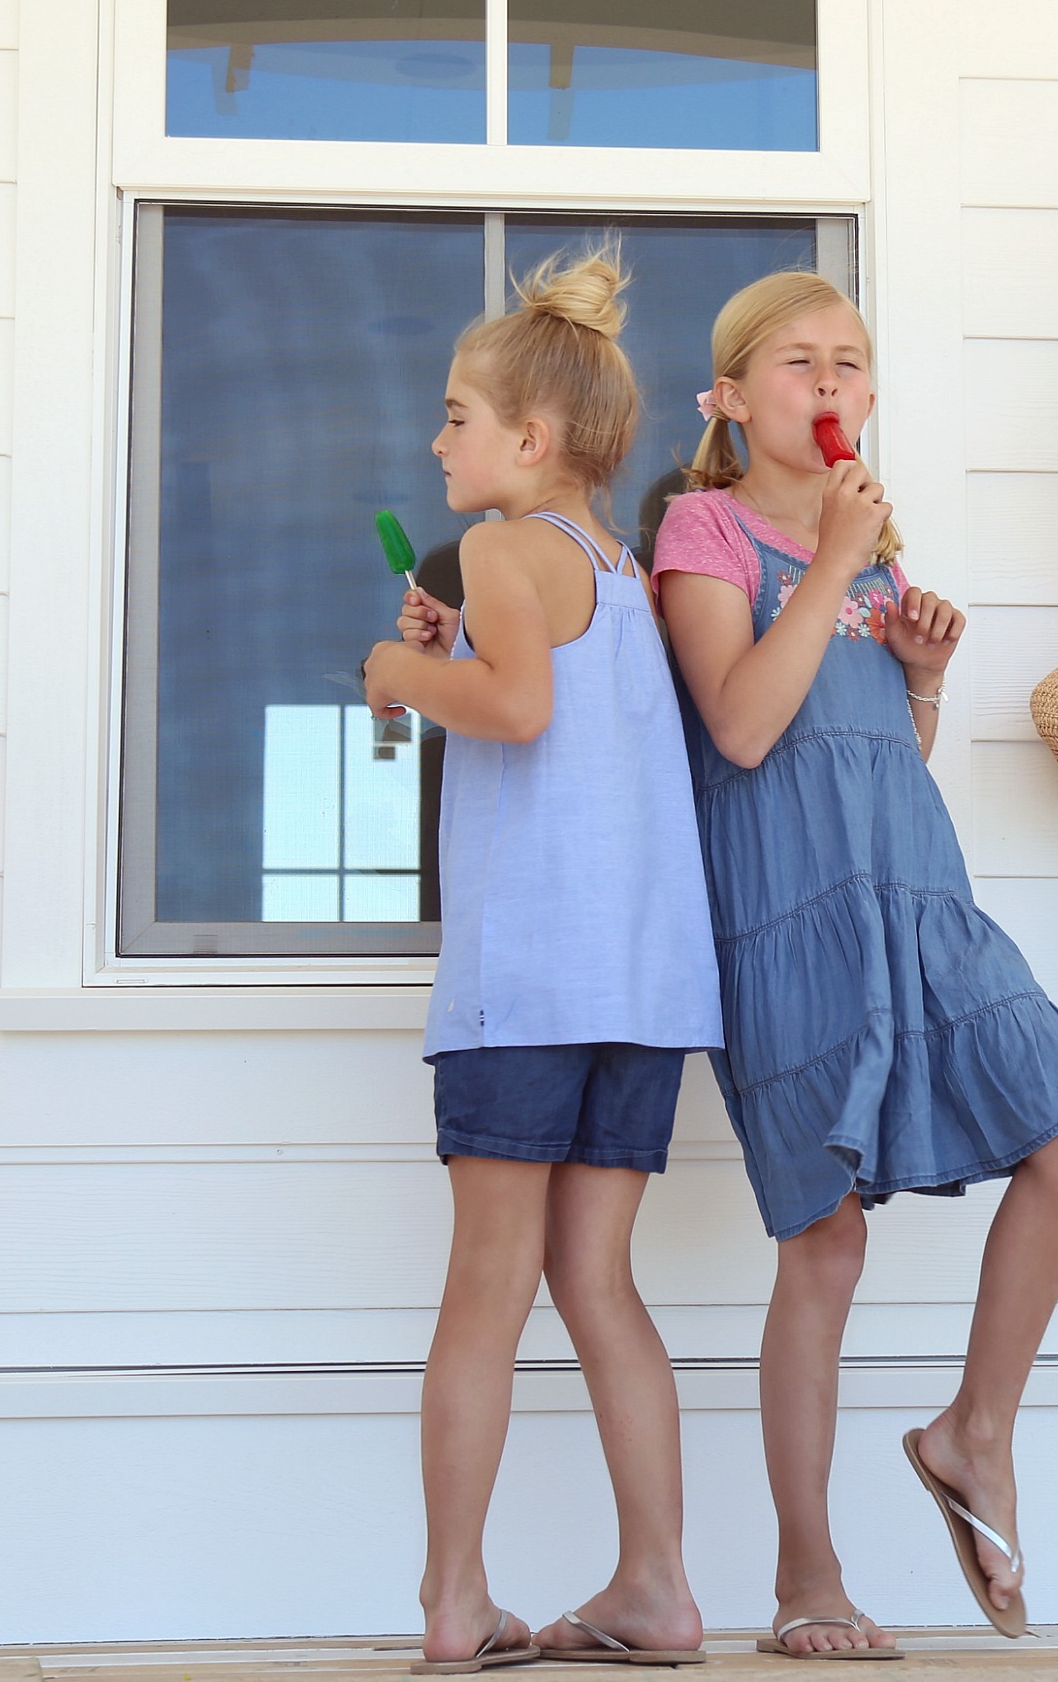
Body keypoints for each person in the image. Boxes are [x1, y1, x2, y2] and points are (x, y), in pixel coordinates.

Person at [657, 271, 1058, 1660]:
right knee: (826, 1239)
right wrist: (840, 572)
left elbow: (873, 756)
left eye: (850, 364)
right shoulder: (703, 526)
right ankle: (808, 1575)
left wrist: (916, 676)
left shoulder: (877, 551)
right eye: (798, 363)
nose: (831, 385)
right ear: (730, 399)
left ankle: (972, 1427)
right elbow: (741, 727)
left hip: (916, 901)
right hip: (787, 921)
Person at [366, 250, 724, 1675]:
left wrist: (400, 676)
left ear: (532, 439)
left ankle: (454, 1598)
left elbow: (511, 708)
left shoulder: (502, 551)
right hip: (639, 990)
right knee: (600, 1282)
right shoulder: (619, 572)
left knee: (485, 1290)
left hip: (526, 986)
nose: (436, 439)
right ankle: (658, 1587)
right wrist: (458, 653)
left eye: (456, 415)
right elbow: (554, 699)